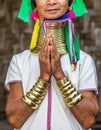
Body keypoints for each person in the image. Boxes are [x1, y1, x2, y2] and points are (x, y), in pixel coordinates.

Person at [5, 0, 99, 130]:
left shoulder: (83, 61)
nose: (52, 1)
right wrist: (43, 77)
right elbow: (15, 119)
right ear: (34, 7)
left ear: (70, 4)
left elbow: (88, 120)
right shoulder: (20, 61)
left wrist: (60, 75)